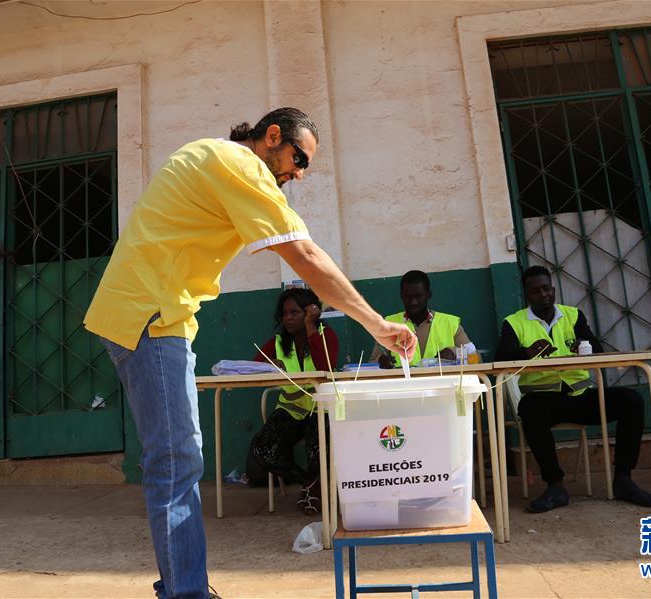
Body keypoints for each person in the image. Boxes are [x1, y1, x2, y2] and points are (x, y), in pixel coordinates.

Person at [83, 108, 417, 599]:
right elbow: (304, 256)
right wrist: (376, 323)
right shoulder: (239, 165)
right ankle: (186, 593)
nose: (298, 173)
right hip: (151, 316)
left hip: (152, 315)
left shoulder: (211, 155)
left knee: (177, 459)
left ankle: (184, 586)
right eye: (297, 158)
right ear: (272, 136)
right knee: (176, 462)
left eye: (305, 167)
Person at [495, 265, 651, 513]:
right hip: (544, 398)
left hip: (580, 396)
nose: (543, 295)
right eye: (536, 291)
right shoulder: (514, 322)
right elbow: (502, 358)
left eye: (547, 288)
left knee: (631, 400)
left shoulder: (573, 316)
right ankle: (555, 485)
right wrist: (526, 353)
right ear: (527, 294)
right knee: (530, 410)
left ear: (553, 289)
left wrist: (584, 346)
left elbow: (596, 348)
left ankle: (623, 479)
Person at [249, 287, 337, 514]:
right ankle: (310, 483)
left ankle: (319, 492)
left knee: (315, 445)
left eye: (294, 312)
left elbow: (324, 366)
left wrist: (310, 327)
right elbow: (252, 368)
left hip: (322, 409)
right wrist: (268, 368)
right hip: (291, 409)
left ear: (310, 312)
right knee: (263, 449)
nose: (287, 317)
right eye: (284, 313)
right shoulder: (277, 343)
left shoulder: (325, 336)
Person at [371, 270, 471, 368]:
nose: (413, 302)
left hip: (444, 384)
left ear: (428, 295)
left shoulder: (450, 323)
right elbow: (372, 363)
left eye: (418, 296)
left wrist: (453, 352)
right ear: (401, 296)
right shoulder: (389, 324)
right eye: (408, 297)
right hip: (403, 384)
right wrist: (381, 362)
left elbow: (475, 357)